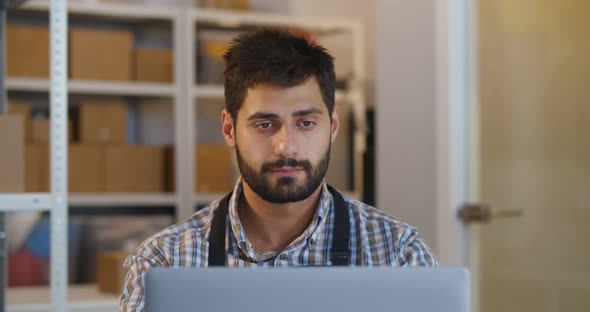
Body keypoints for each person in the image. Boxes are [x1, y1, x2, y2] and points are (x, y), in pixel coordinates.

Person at [120, 28, 437, 311]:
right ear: (229, 129)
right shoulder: (163, 263)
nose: (286, 146)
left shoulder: (399, 254)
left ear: (334, 125)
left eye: (306, 123)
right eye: (265, 124)